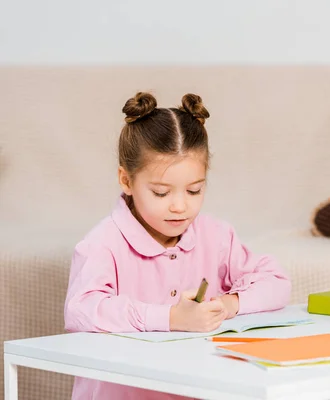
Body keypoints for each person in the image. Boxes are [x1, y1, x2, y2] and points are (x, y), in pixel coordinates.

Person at [64, 92, 291, 399]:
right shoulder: (103, 244)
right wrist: (171, 318)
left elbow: (276, 282)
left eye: (194, 190)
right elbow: (81, 310)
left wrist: (226, 305)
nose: (180, 207)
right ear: (126, 181)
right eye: (161, 193)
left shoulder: (217, 235)